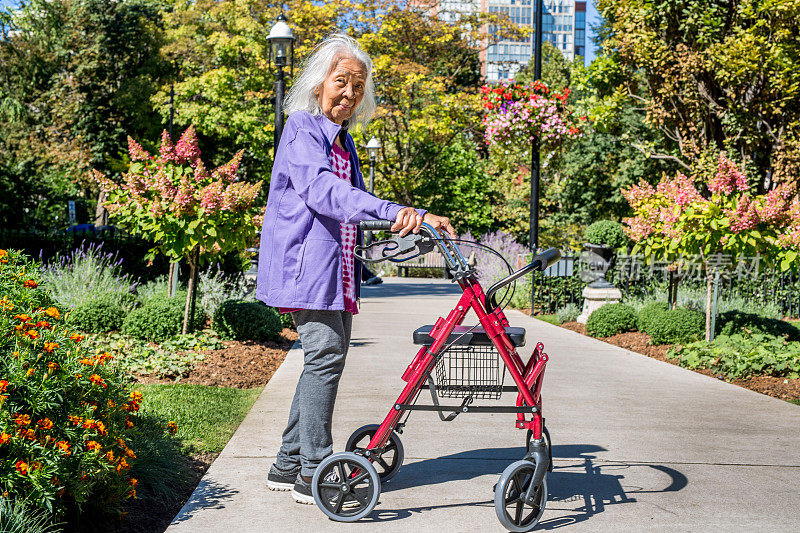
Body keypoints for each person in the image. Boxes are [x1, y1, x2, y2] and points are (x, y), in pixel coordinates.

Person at [256, 34, 454, 504]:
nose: (348, 93)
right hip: (308, 268)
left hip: (336, 270)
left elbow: (350, 208)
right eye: (340, 81)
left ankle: (286, 464)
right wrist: (394, 209)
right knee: (324, 358)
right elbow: (325, 193)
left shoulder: (343, 142)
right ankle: (313, 470)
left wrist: (406, 222)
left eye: (357, 87)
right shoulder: (302, 128)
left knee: (323, 362)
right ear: (319, 81)